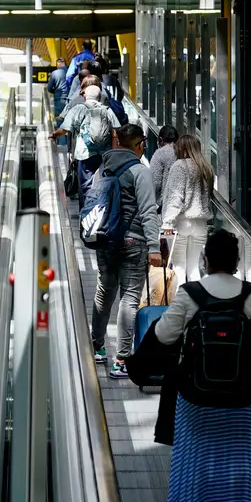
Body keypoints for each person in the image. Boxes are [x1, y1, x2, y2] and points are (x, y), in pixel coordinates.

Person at [154, 229, 251, 502]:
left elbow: (165, 335)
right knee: (242, 457)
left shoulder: (189, 293)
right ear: (236, 262)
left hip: (197, 396)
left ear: (205, 259)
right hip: (242, 395)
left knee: (199, 455)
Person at [90, 124, 161, 378]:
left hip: (105, 240)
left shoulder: (103, 167)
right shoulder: (140, 170)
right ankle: (120, 360)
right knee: (129, 298)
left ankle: (97, 346)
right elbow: (148, 210)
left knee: (104, 291)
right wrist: (154, 247)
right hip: (134, 241)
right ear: (139, 144)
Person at [161, 134, 215, 286]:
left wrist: (167, 223)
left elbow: (175, 197)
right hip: (201, 224)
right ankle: (196, 305)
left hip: (181, 223)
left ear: (180, 148)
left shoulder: (179, 166)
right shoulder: (206, 167)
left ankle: (180, 305)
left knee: (179, 267)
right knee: (193, 268)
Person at [49, 85, 120, 199]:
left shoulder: (78, 109)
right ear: (100, 96)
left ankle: (86, 211)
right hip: (105, 154)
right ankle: (101, 208)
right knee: (104, 183)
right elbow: (115, 132)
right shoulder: (107, 110)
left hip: (84, 153)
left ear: (85, 96)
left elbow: (65, 129)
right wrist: (114, 153)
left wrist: (54, 135)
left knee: (85, 185)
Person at [149, 125, 179, 207]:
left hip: (167, 203)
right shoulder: (183, 152)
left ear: (160, 140)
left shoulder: (160, 154)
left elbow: (155, 182)